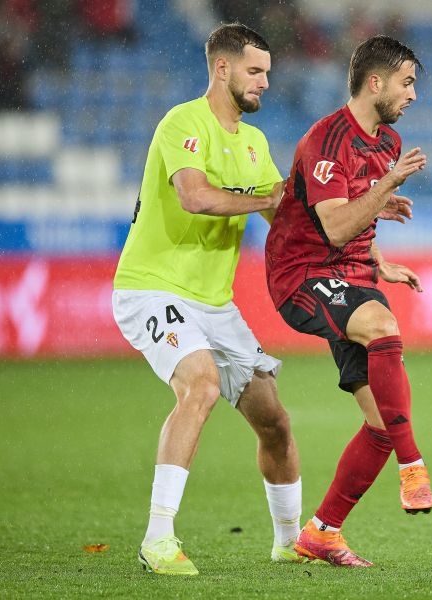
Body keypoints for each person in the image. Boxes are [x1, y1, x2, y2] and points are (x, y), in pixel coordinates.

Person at [112, 23, 304, 575]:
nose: (265, 82)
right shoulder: (183, 122)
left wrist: (355, 220)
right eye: (254, 71)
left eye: (267, 71)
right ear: (222, 69)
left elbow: (283, 216)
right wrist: (263, 197)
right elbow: (194, 197)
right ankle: (158, 539)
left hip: (214, 305)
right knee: (197, 384)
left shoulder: (254, 143)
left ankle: (291, 541)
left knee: (275, 422)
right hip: (150, 288)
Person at [265, 35, 431, 567]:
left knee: (382, 421)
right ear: (375, 82)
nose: (412, 95)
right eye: (407, 83)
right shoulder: (326, 140)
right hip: (302, 274)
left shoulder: (386, 141)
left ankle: (322, 533)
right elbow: (335, 226)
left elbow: (356, 214)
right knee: (382, 325)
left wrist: (378, 255)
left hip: (351, 272)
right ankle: (414, 467)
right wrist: (387, 185)